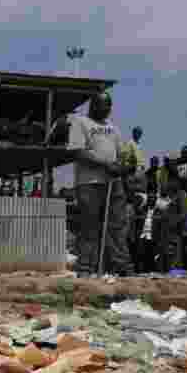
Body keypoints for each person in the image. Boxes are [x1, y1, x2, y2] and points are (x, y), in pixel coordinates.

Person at [67, 91, 132, 276]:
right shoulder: (80, 122)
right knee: (90, 227)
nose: (105, 110)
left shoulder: (113, 129)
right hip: (89, 184)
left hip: (113, 183)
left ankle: (122, 267)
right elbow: (77, 152)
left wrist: (122, 167)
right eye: (102, 105)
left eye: (108, 106)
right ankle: (86, 268)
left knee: (116, 226)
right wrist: (105, 165)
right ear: (93, 105)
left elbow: (122, 156)